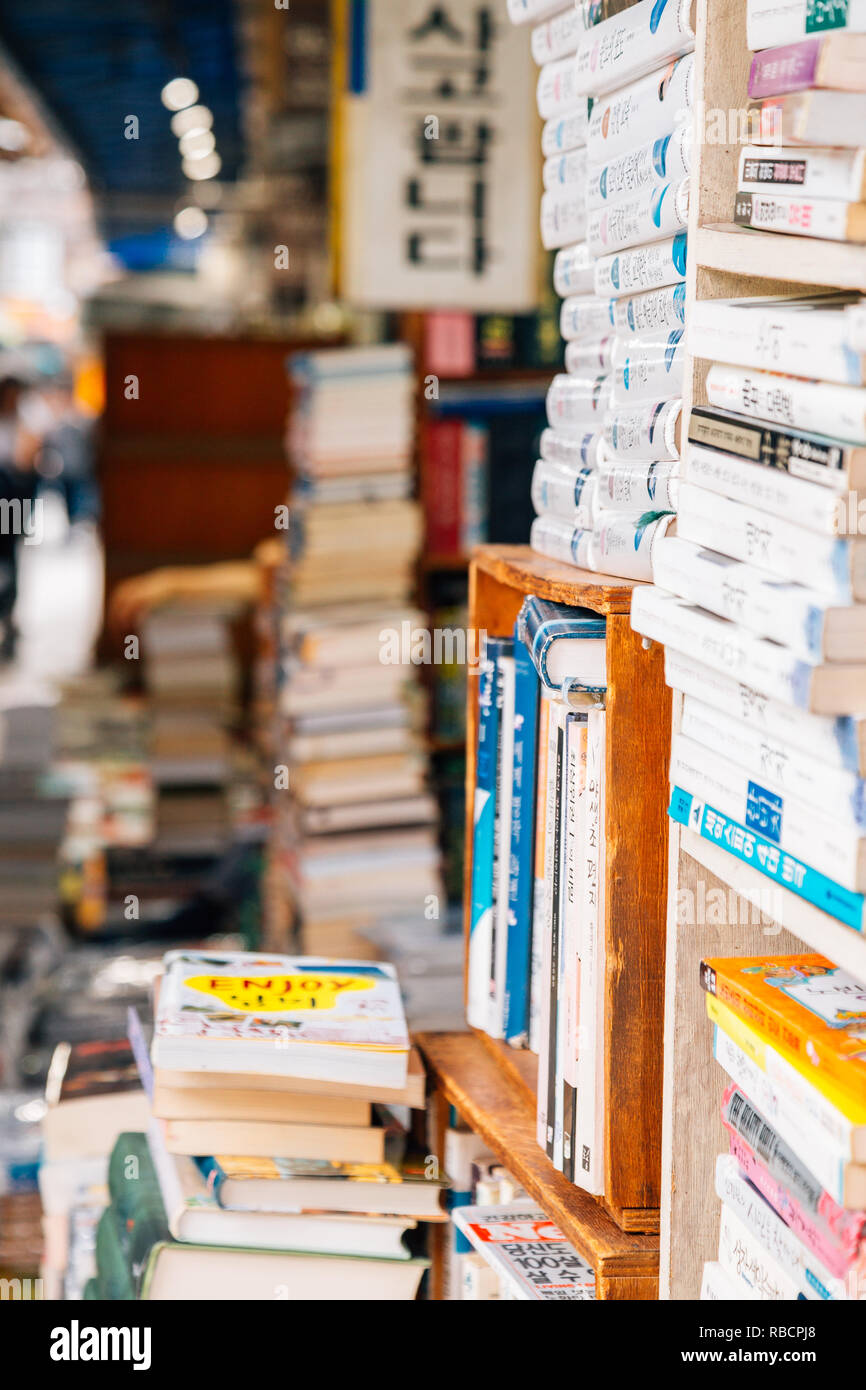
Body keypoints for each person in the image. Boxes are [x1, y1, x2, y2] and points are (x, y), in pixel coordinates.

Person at [0, 364, 41, 661]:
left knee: (9, 560)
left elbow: (27, 463)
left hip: (11, 504)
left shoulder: (25, 424)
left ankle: (8, 616)